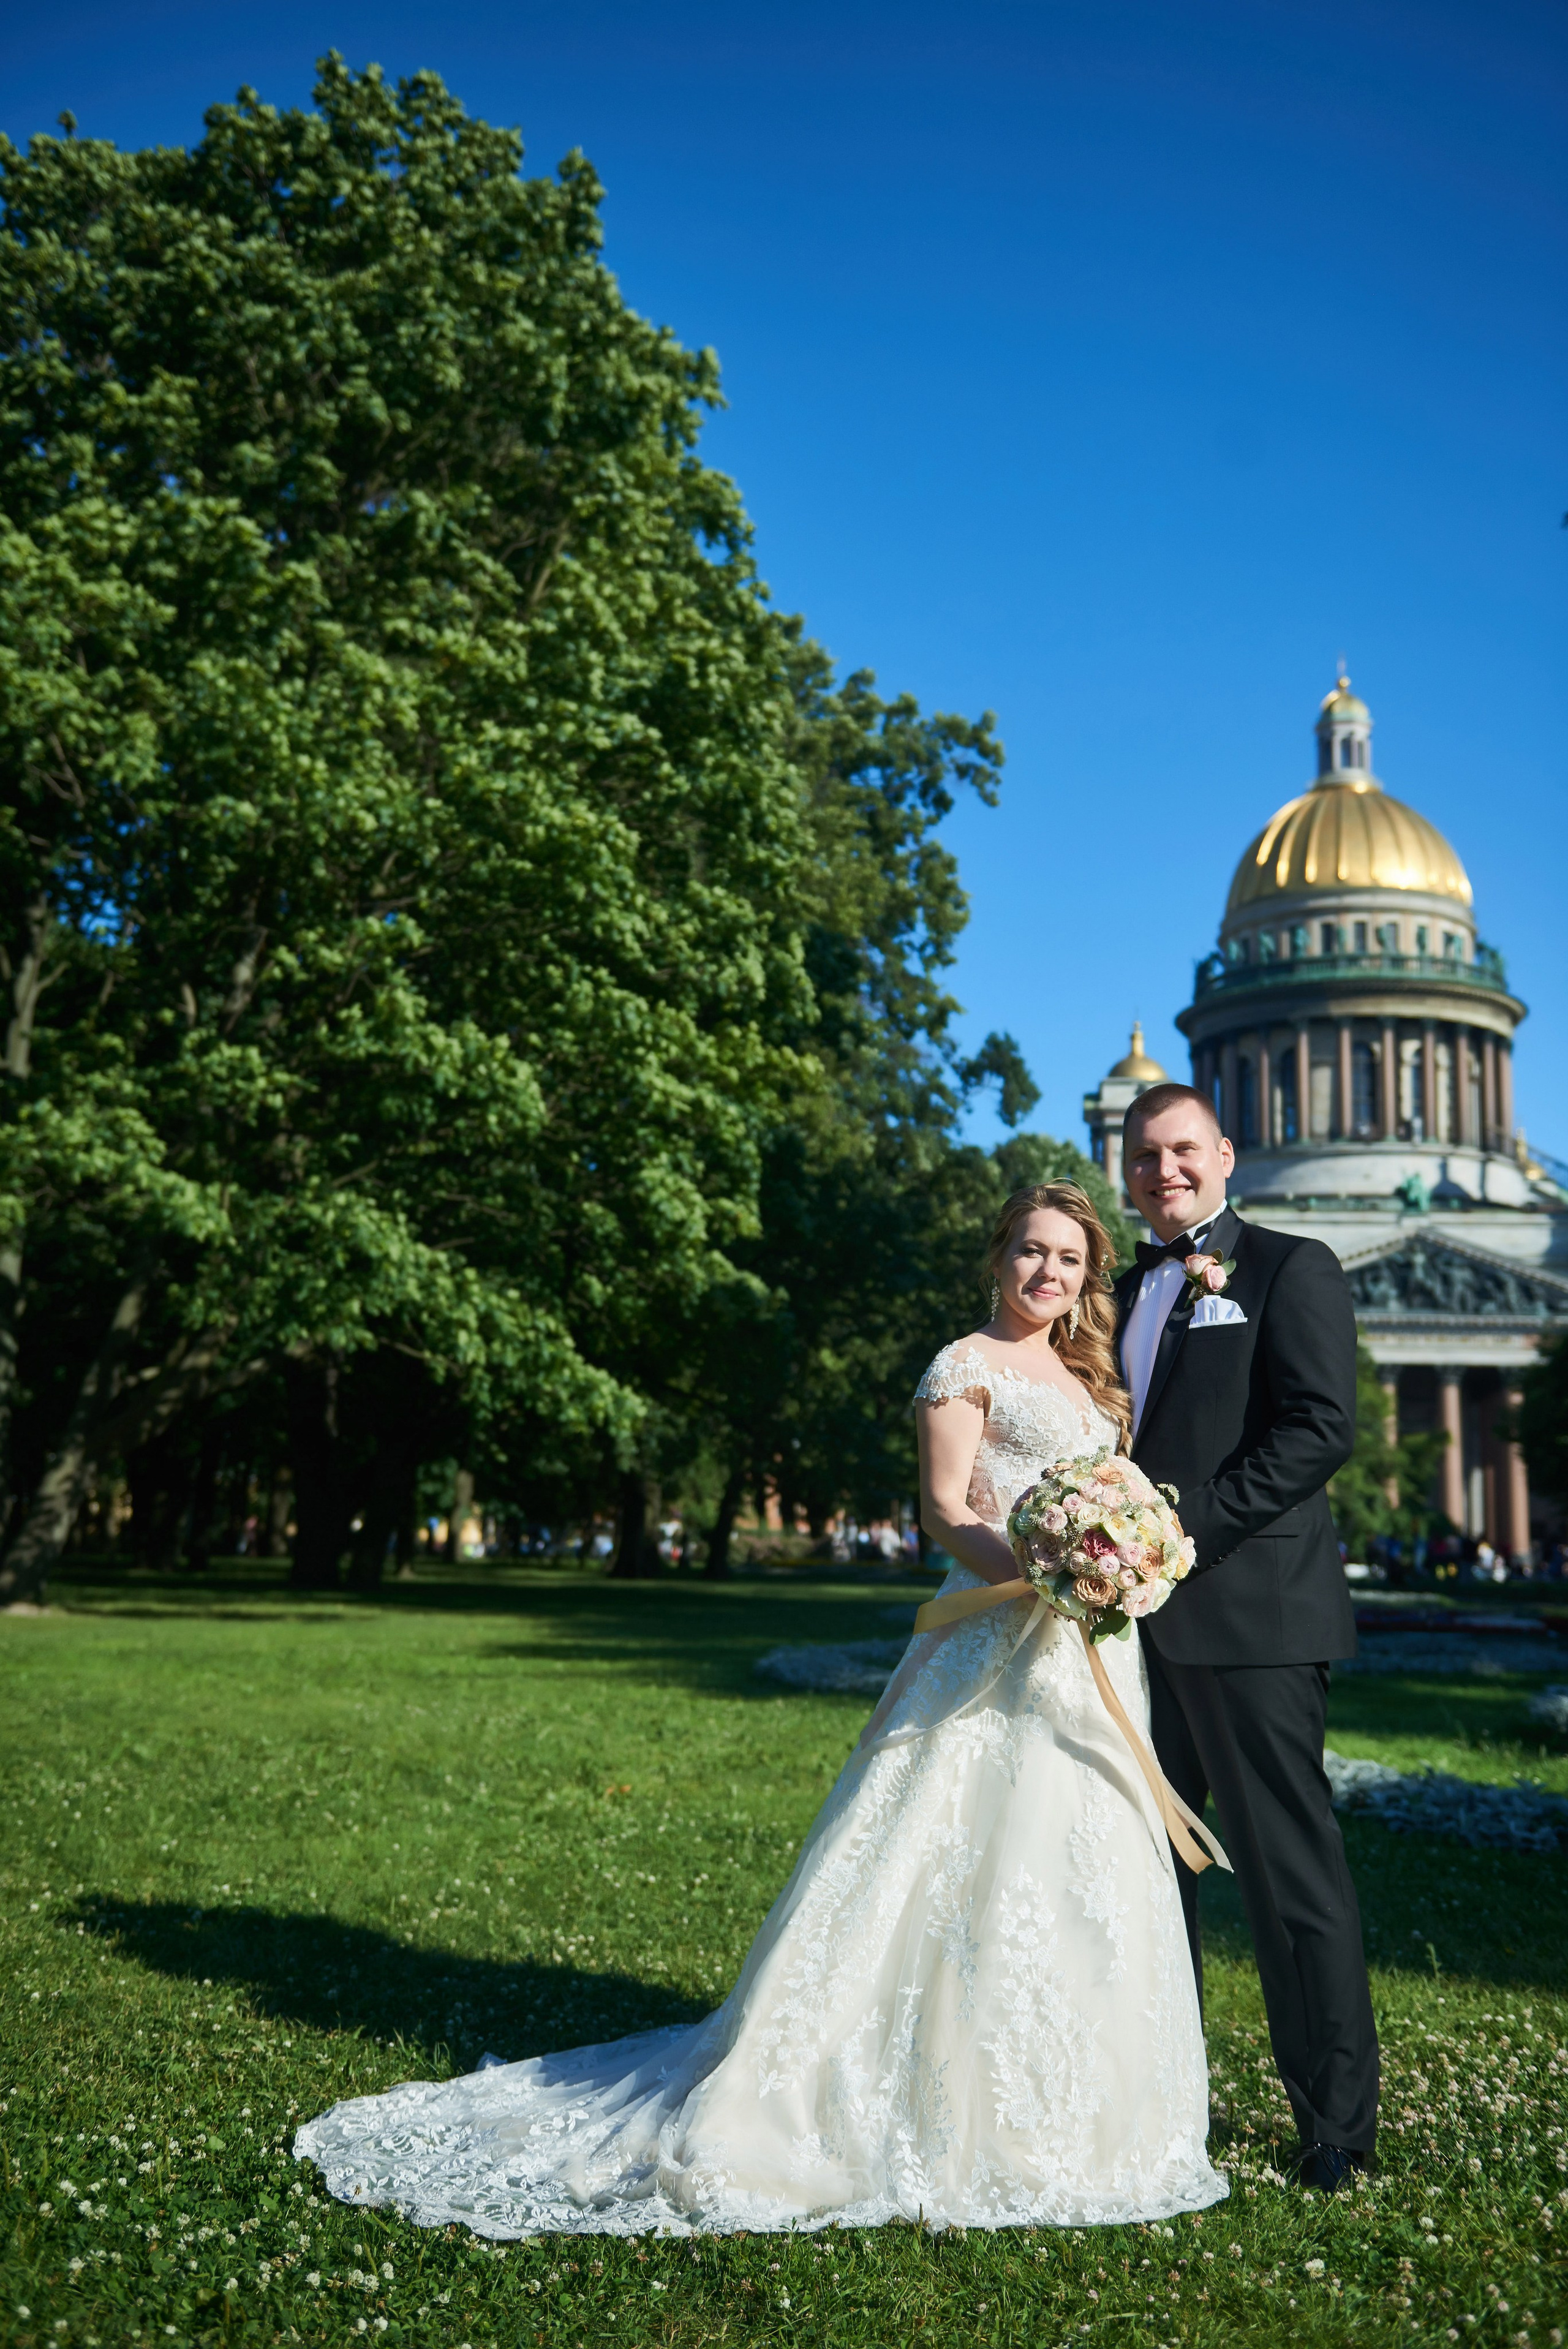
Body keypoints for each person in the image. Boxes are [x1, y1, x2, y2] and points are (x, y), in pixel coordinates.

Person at [295, 1182, 1226, 2237]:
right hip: (993, 1633)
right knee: (955, 1850)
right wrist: (1040, 1571)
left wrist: (1112, 1569)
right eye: (1029, 1251)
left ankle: (1077, 2115)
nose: (1046, 1272)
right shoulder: (964, 1366)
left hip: (1088, 1651)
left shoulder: (1092, 1380)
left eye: (1066, 1257)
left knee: (1077, 1857)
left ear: (1087, 1274)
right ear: (997, 1257)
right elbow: (943, 1509)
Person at [1117, 1083, 1378, 2193]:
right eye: (1143, 1155)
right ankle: (1156, 2101)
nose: (1163, 1171)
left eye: (1183, 1149)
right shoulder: (1118, 1289)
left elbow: (1320, 1428)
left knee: (1287, 1879)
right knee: (1136, 1874)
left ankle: (1335, 2127)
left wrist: (1182, 1533)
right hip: (1127, 1634)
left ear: (1226, 1153)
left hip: (1252, 1618)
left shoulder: (1288, 1267)